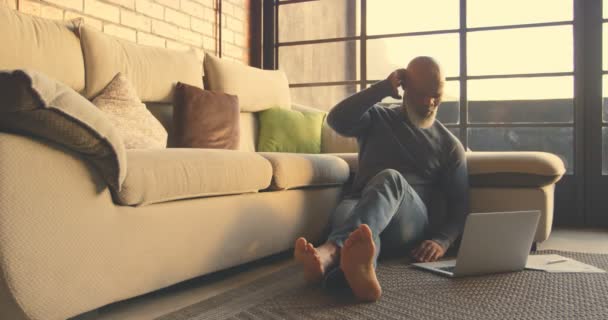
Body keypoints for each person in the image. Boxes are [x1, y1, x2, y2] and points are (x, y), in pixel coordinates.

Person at [294, 56, 469, 302]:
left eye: (437, 95)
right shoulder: (376, 118)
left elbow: (460, 206)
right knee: (359, 228)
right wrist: (382, 89)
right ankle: (352, 277)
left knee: (390, 179)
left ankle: (330, 252)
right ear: (404, 87)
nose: (431, 103)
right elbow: (336, 120)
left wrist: (442, 241)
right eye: (422, 94)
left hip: (407, 225)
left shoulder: (449, 145)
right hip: (359, 208)